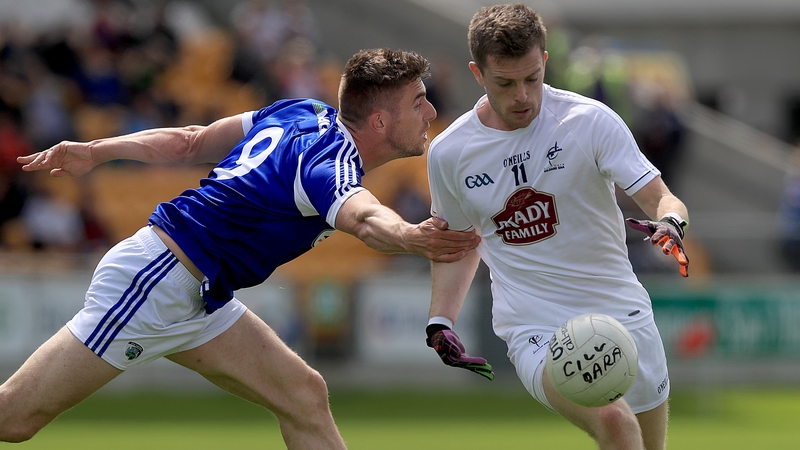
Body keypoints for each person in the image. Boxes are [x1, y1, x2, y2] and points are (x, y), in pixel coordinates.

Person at [1, 48, 481, 449]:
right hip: (156, 282)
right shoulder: (327, 162)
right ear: (380, 119)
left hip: (201, 293)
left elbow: (191, 142)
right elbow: (365, 218)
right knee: (13, 419)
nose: (432, 113)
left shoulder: (302, 111)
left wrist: (98, 150)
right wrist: (412, 237)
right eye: (419, 102)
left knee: (303, 394)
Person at [423, 5, 689, 450]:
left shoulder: (589, 121)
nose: (523, 96)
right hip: (535, 326)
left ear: (545, 60)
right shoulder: (450, 152)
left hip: (622, 314)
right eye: (505, 83)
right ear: (477, 73)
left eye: (532, 78)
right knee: (614, 422)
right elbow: (460, 243)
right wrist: (439, 320)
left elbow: (661, 195)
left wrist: (671, 222)